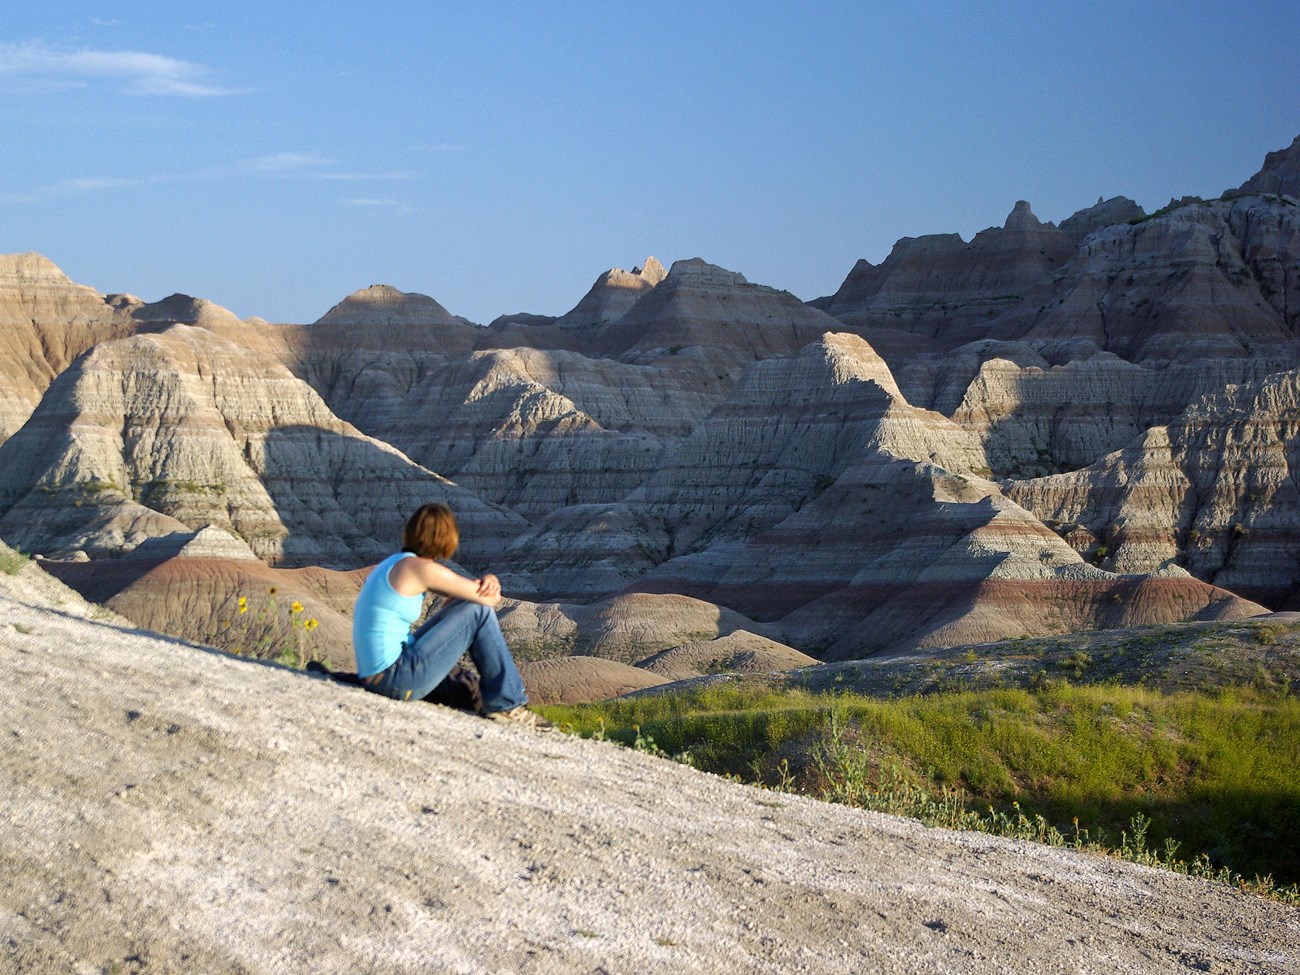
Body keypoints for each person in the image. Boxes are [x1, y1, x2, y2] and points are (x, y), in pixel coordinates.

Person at [352, 502, 550, 729]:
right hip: (393, 678)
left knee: (471, 606)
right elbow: (487, 600)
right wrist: (491, 582)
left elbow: (466, 594)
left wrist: (487, 581)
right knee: (479, 611)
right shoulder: (421, 569)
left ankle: (504, 700)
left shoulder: (397, 563)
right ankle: (507, 703)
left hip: (380, 674)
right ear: (447, 539)